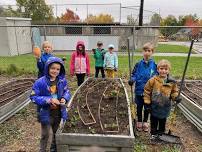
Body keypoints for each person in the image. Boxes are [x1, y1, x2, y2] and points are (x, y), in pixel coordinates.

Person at [30, 57, 71, 152]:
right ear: (47, 68)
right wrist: (48, 100)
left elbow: (67, 91)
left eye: (58, 69)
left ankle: (54, 148)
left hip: (59, 112)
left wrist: (64, 98)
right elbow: (33, 97)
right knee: (45, 134)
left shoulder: (62, 81)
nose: (55, 71)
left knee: (57, 133)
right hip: (46, 113)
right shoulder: (40, 82)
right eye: (52, 68)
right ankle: (42, 149)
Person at [143, 59, 181, 140]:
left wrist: (176, 97)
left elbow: (174, 91)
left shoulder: (172, 82)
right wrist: (147, 103)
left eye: (165, 69)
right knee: (154, 120)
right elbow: (147, 91)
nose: (163, 71)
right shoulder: (153, 80)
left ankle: (161, 134)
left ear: (168, 70)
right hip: (154, 106)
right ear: (158, 69)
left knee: (162, 121)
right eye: (161, 69)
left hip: (165, 106)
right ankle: (153, 134)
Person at [128, 42, 157, 132]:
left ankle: (145, 121)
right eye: (145, 50)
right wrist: (132, 79)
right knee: (139, 107)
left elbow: (157, 75)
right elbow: (134, 74)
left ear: (152, 52)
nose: (147, 53)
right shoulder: (138, 64)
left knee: (147, 107)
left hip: (149, 92)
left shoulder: (154, 65)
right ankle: (139, 121)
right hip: (139, 90)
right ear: (142, 52)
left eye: (149, 51)